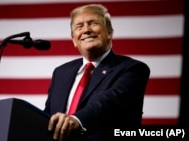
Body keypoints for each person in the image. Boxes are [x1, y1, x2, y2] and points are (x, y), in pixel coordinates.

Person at [43, 4, 150, 141]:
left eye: (93, 23)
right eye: (79, 27)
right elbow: (48, 116)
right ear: (74, 40)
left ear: (109, 33)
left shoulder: (132, 69)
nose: (86, 30)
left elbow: (109, 102)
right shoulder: (61, 72)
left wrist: (77, 119)